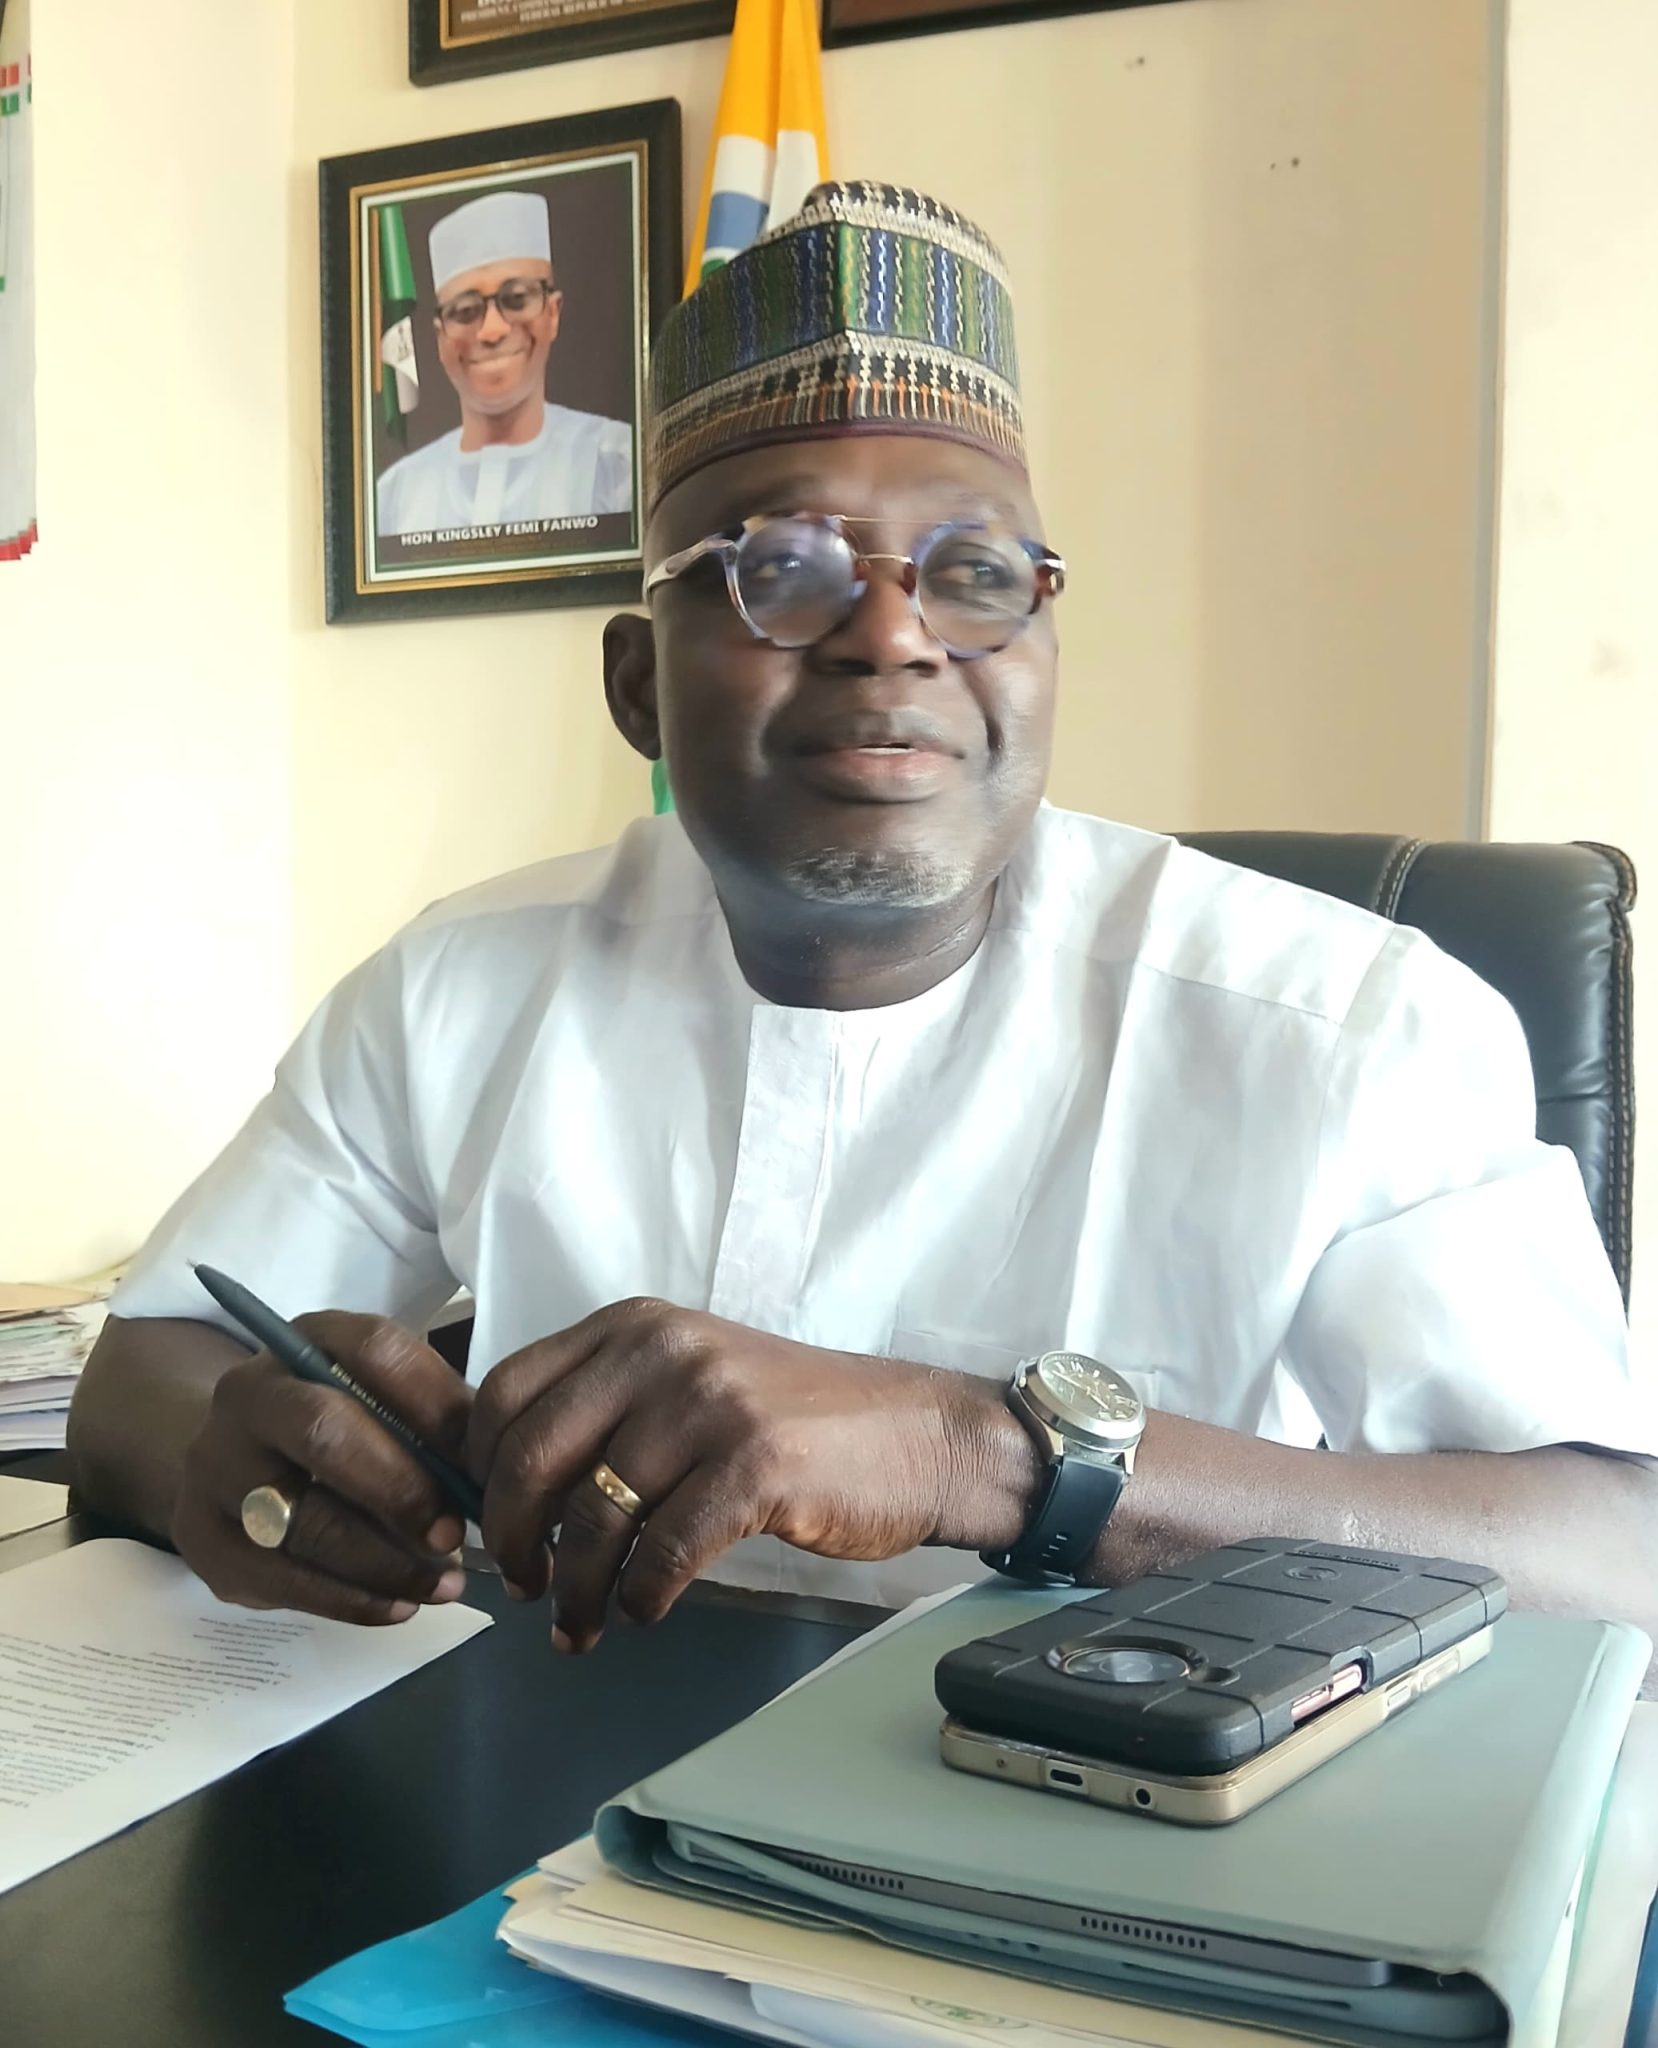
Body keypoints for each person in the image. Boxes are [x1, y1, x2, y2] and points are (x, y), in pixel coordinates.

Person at [72, 182, 1656, 1663]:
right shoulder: (456, 986)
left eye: (974, 573)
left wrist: (982, 1452)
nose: (892, 635)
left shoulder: (1347, 1024)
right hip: (547, 1775)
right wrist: (248, 1464)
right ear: (638, 685)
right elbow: (145, 1366)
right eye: (781, 568)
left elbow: (1610, 1547)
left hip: (1096, 1809)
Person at [374, 187, 633, 538]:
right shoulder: (394, 497)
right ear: (440, 337)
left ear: (553, 312)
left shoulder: (618, 464)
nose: (492, 330)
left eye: (517, 298)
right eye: (465, 311)